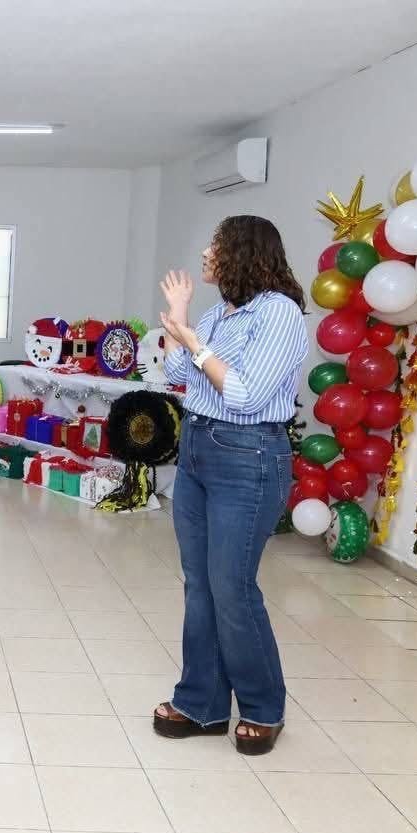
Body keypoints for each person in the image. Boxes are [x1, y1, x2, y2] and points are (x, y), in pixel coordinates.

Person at [153, 215, 309, 757]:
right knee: (200, 584)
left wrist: (195, 344)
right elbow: (179, 379)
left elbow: (242, 394)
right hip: (198, 448)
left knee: (233, 587)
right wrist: (180, 321)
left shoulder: (280, 315)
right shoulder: (222, 314)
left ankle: (265, 709)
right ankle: (202, 704)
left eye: (215, 244)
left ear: (242, 252)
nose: (206, 253)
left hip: (249, 455)